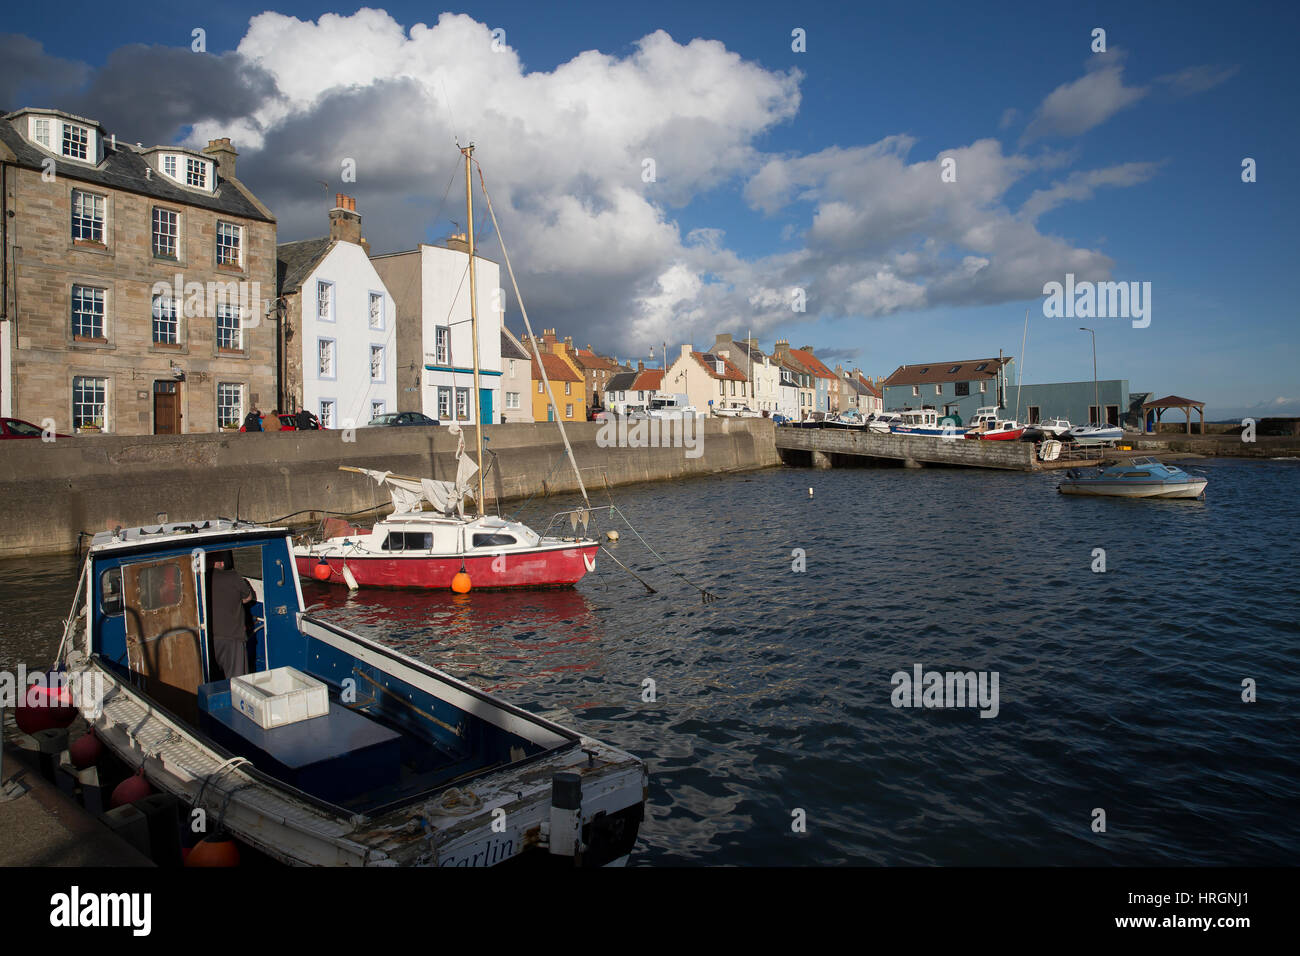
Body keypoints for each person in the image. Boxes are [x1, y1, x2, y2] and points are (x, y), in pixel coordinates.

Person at [208, 552, 254, 681]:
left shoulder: (202, 579)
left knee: (213, 679)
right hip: (232, 637)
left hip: (209, 639)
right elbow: (247, 598)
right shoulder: (233, 576)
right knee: (237, 681)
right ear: (222, 562)